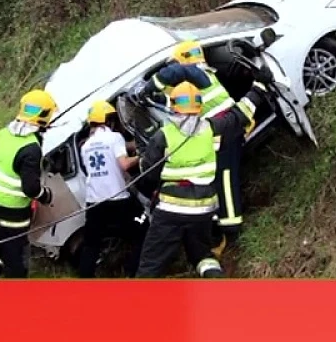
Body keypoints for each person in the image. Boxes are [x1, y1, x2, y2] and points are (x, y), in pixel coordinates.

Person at [133, 65, 274, 278]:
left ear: (173, 106)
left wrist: (144, 159)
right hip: (203, 209)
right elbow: (240, 114)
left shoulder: (164, 136)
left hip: (171, 210)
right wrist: (259, 86)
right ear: (199, 106)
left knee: (150, 266)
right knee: (202, 255)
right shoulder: (211, 128)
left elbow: (147, 174)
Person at [134, 39, 248, 257]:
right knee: (223, 179)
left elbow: (174, 73)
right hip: (225, 133)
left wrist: (149, 88)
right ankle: (224, 227)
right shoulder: (204, 78)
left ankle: (231, 229)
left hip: (224, 135)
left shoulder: (197, 74)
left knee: (224, 181)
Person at [0, 89, 57, 278]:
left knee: (2, 241)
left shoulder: (4, 133)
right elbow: (30, 188)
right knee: (17, 260)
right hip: (10, 213)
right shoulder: (31, 149)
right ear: (44, 116)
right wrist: (45, 195)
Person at [76, 100, 149, 278]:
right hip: (118, 200)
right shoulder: (114, 137)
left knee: (91, 245)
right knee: (143, 229)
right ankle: (132, 273)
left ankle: (84, 282)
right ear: (110, 121)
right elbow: (124, 164)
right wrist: (141, 157)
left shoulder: (85, 146)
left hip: (94, 202)